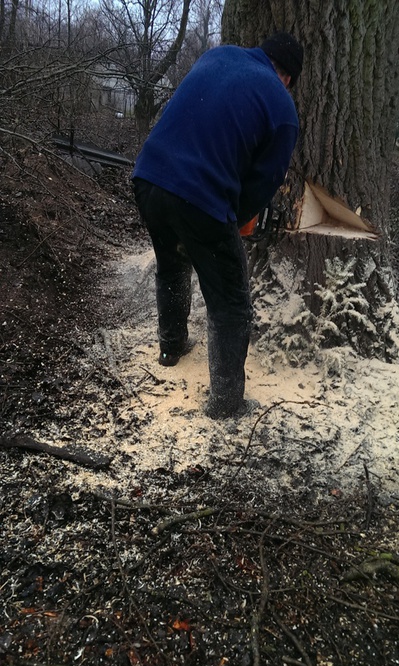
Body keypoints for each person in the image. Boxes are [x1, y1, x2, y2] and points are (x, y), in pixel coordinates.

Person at [132, 32, 303, 419]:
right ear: (288, 78)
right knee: (231, 303)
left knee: (172, 265)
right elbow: (264, 182)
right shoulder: (283, 108)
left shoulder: (217, 56)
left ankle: (171, 347)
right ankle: (226, 403)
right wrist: (237, 220)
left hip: (149, 177)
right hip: (201, 197)